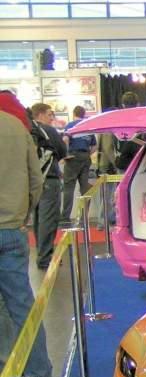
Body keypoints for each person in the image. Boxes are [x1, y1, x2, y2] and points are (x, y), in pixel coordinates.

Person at [0, 109, 54, 377]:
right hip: (12, 229)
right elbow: (36, 180)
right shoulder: (14, 127)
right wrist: (22, 215)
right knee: (22, 308)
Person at [30, 103, 67, 270]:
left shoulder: (29, 130)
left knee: (38, 218)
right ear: (40, 114)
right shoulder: (48, 131)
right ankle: (45, 257)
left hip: (34, 181)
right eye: (49, 114)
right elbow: (62, 151)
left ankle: (41, 253)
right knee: (48, 219)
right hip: (49, 178)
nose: (52, 118)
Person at [62, 105, 97, 224]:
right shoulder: (87, 126)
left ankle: (65, 217)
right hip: (85, 157)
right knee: (84, 188)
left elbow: (65, 139)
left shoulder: (71, 125)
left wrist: (66, 154)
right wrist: (87, 154)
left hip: (73, 157)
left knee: (69, 188)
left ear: (74, 114)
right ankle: (84, 217)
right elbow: (94, 146)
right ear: (83, 114)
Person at [115, 92, 142, 171]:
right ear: (138, 104)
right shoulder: (143, 120)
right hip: (140, 159)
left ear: (123, 105)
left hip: (123, 160)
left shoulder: (117, 121)